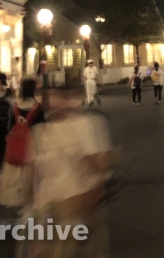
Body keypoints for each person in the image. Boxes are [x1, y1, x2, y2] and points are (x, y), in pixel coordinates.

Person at [17, 89, 118, 258]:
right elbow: (31, 172)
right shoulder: (39, 132)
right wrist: (30, 203)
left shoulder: (88, 125)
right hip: (52, 205)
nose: (55, 104)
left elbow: (101, 165)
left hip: (77, 201)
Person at [0, 78, 45, 208]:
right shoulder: (37, 107)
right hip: (32, 141)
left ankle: (15, 197)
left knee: (15, 171)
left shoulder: (16, 106)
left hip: (17, 142)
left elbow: (10, 126)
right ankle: (29, 200)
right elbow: (42, 128)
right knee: (30, 173)